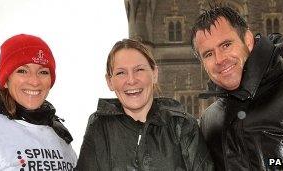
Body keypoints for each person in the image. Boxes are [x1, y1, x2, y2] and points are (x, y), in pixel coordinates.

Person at [76, 39, 213, 170]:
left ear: (154, 73)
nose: (131, 80)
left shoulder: (183, 125)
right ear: (109, 81)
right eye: (121, 72)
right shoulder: (99, 126)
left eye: (139, 70)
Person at [191, 5, 283, 170]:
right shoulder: (209, 120)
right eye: (208, 54)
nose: (220, 59)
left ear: (248, 41)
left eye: (226, 45)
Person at [0, 34, 77, 170]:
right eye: (22, 71)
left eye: (43, 72)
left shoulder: (58, 132)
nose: (34, 81)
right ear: (6, 80)